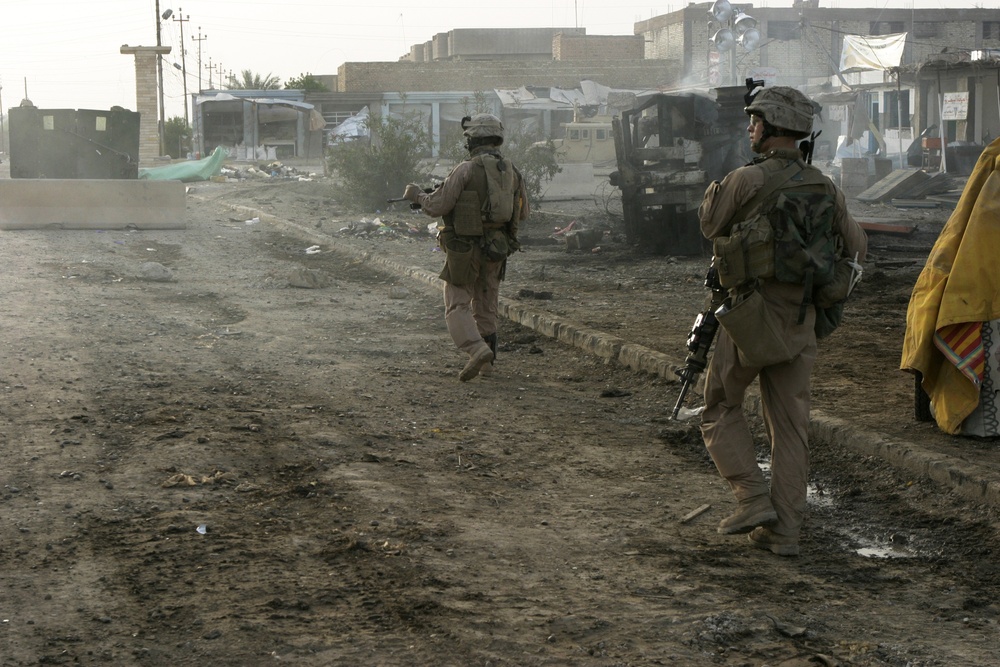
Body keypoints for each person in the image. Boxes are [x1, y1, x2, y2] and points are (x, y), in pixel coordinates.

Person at [697, 86, 868, 556]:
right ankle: (786, 531)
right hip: (801, 320)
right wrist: (824, 301)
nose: (750, 128)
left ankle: (751, 498)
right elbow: (856, 251)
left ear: (771, 127)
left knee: (718, 406)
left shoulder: (746, 180)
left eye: (755, 122)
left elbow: (710, 225)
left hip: (752, 315)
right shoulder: (825, 187)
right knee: (791, 428)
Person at [401, 113, 528, 381]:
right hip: (497, 248)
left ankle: (476, 349)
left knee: (457, 302)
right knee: (487, 303)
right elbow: (522, 212)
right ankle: (488, 366)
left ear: (474, 139)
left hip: (464, 249)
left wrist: (416, 195)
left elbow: (437, 206)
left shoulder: (466, 169)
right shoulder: (513, 172)